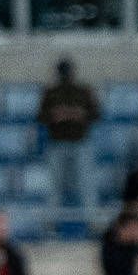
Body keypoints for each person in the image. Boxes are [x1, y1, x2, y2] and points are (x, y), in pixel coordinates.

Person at [39, 60, 102, 213]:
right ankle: (51, 224)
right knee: (54, 186)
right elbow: (40, 117)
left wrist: (80, 114)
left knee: (86, 184)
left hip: (80, 142)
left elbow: (96, 114)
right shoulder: (50, 92)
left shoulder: (83, 91)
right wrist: (55, 115)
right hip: (57, 143)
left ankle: (93, 223)